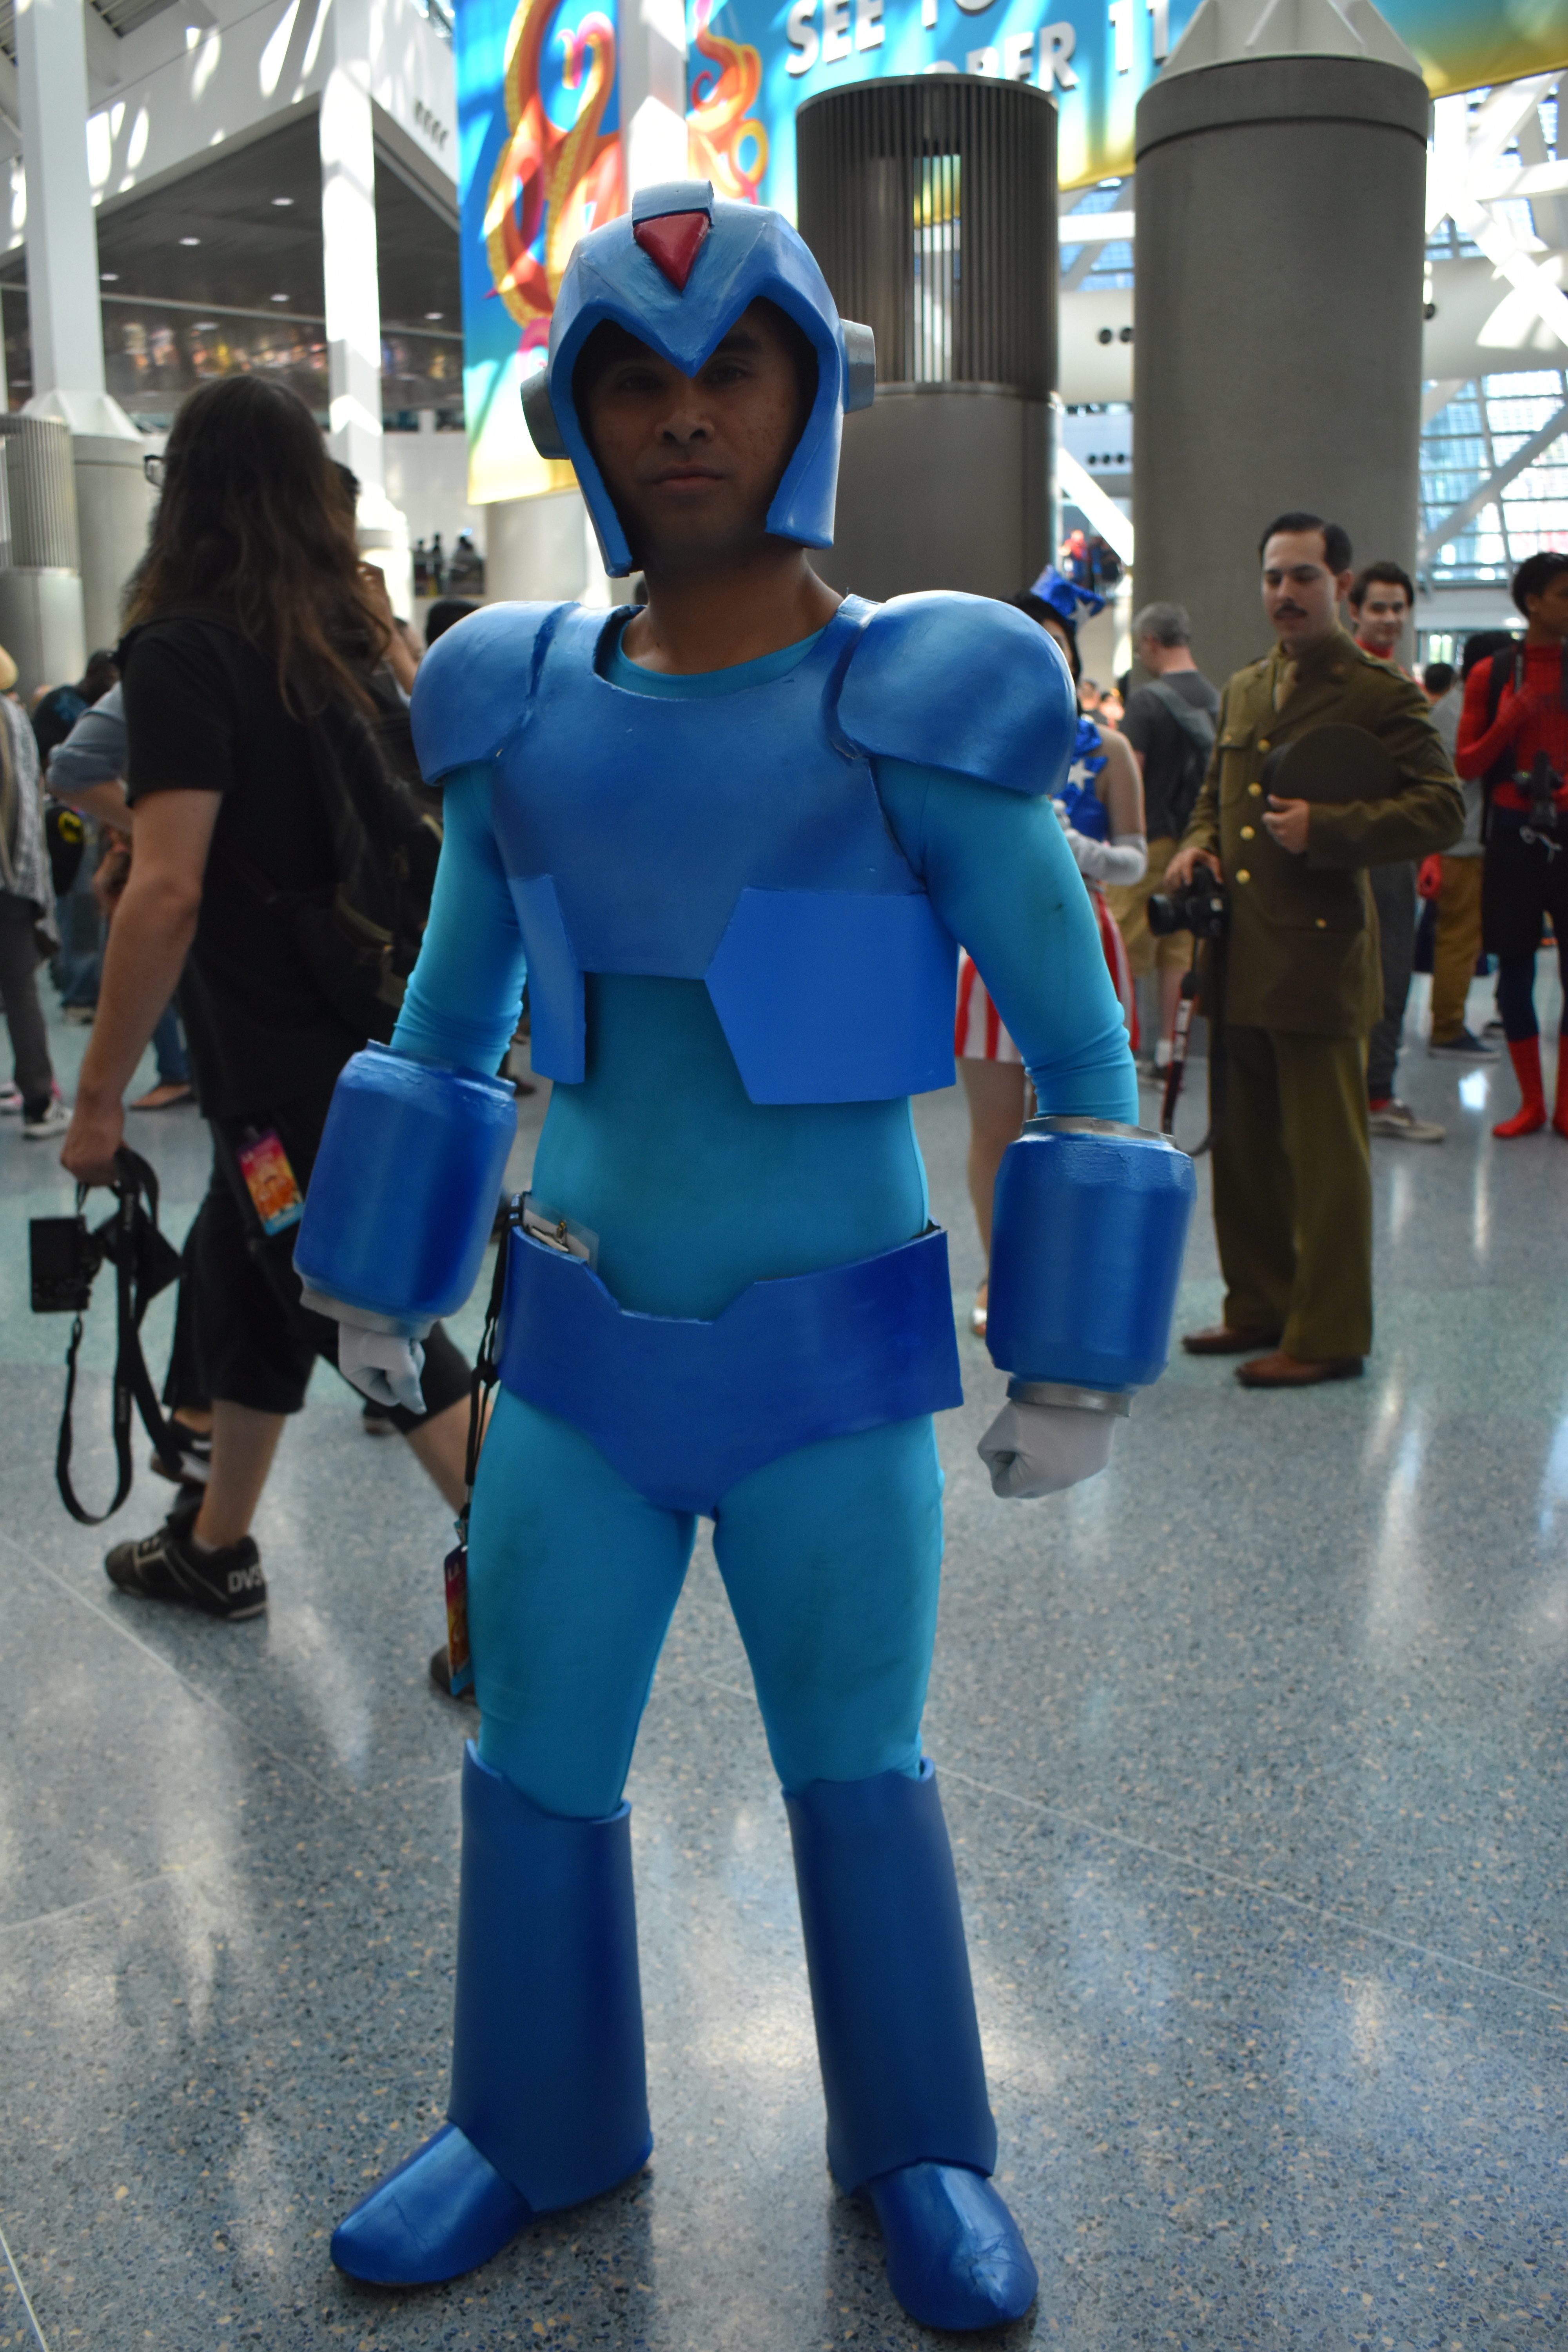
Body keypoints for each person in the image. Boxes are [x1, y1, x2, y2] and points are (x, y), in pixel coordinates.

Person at [292, 183, 1189, 2329]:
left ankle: (920, 2142)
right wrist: (374, 1273)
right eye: (635, 379)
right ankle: (529, 2121)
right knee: (535, 1764)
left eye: (732, 370)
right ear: (579, 419)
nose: (685, 415)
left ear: (807, 397)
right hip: (576, 1367)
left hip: (832, 1372)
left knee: (857, 1773)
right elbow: (445, 1018)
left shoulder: (919, 701)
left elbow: (1082, 1057)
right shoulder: (515, 708)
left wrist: (1074, 1357)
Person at [59, 375, 474, 1621]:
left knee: (367, 1311)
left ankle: (537, 1584)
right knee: (255, 1280)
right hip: (361, 1029)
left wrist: (97, 1100)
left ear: (183, 493)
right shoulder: (340, 642)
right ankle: (215, 1543)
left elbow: (166, 889)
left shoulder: (185, 648)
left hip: (280, 1067)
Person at [1165, 512, 1462, 1388]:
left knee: (1326, 1160)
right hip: (1241, 954)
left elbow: (1441, 809)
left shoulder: (1377, 694)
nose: (1284, 594)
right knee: (1245, 1150)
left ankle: (1329, 1332)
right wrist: (1197, 844)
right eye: (1272, 578)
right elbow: (1215, 797)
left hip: (1320, 960)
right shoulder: (1247, 686)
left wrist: (1327, 828)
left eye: (1302, 577)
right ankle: (1258, 1305)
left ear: (1340, 585)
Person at [957, 572, 1145, 1335]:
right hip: (985, 944)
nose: (1041, 653)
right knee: (995, 1128)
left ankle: (1073, 1281)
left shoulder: (1111, 748)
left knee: (1082, 1127)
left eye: (1054, 643)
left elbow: (1135, 861)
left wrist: (1074, 850)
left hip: (1084, 935)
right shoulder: (968, 743)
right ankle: (1000, 1273)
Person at [1454, 550, 1568, 1137]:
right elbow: (1466, 764)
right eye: (1564, 595)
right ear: (1533, 603)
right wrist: (1511, 719)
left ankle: (1565, 1106)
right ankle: (1532, 1104)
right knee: (1515, 968)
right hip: (1510, 834)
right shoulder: (1491, 674)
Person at [47, 684, 196, 1109]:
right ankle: (183, 1070)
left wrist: (97, 1099)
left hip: (151, 860)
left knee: (149, 967)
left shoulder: (164, 666)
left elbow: (70, 769)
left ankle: (177, 1072)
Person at [1346, 562, 1443, 1141]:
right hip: (1355, 846)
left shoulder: (1401, 683)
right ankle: (1368, 1092)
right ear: (1354, 611)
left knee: (1392, 969)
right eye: (1378, 607)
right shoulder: (1348, 681)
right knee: (1368, 970)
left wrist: (1426, 851)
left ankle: (1376, 1090)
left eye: (1398, 608)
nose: (1389, 618)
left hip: (1393, 849)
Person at [1108, 601, 1220, 1073]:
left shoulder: (1146, 702)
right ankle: (1169, 1052)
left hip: (1148, 840)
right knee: (1178, 948)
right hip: (1194, 846)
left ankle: (1119, 1051)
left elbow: (1130, 773)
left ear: (1151, 642)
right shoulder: (1215, 698)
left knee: (1123, 945)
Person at [0, 667, 68, 1136]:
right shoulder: (11, 718)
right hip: (10, 880)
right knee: (20, 989)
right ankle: (39, 1100)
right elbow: (25, 802)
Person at [1419, 651, 1493, 1057]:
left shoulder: (1449, 709)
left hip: (1454, 840)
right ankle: (1447, 1029)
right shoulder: (1464, 713)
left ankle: (1448, 1024)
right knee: (1458, 939)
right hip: (1461, 842)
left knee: (1457, 937)